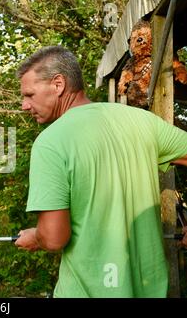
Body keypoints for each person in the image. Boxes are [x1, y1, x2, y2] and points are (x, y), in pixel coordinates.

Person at [14, 45, 187, 298]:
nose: (24, 105)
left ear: (58, 84)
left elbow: (53, 238)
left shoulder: (50, 142)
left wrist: (36, 237)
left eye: (29, 94)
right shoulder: (141, 121)